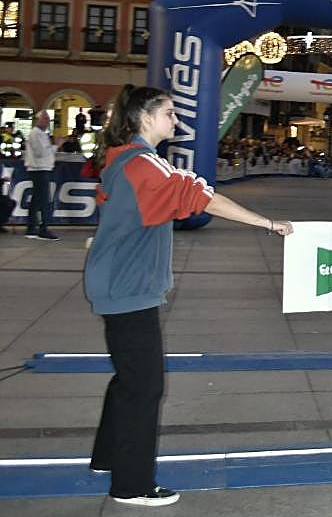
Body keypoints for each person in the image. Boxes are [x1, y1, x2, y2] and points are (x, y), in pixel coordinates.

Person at [84, 85, 292, 507]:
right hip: (129, 288)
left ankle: (107, 458)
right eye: (169, 113)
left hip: (118, 281)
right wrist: (267, 223)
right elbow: (202, 197)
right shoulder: (142, 165)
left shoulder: (127, 159)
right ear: (145, 118)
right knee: (145, 386)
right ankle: (132, 484)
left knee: (129, 378)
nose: (176, 120)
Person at [23, 109, 58, 241]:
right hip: (40, 169)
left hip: (39, 169)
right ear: (38, 119)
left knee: (36, 199)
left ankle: (31, 228)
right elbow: (40, 153)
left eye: (48, 119)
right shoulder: (36, 134)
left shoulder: (40, 134)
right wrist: (55, 146)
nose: (48, 122)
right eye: (45, 119)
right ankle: (43, 228)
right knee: (43, 200)